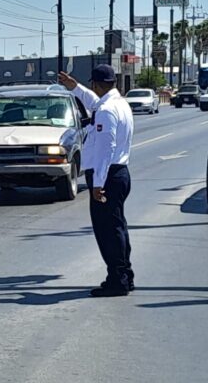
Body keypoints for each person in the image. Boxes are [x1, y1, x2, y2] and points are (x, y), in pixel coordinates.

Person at [59, 65, 135, 297]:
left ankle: (117, 280)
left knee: (108, 232)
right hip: (119, 173)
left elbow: (105, 150)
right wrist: (76, 89)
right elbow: (95, 103)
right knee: (117, 228)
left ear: (96, 84)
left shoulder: (106, 111)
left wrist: (98, 184)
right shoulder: (118, 104)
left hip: (108, 176)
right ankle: (124, 275)